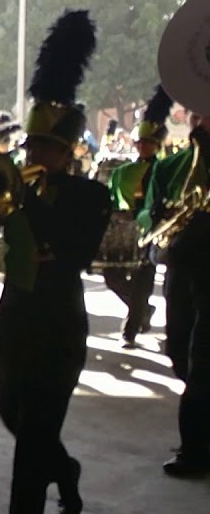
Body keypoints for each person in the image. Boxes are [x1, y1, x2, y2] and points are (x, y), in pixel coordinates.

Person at [0, 10, 110, 514]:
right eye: (31, 148)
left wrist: (32, 202)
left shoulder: (91, 198)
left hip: (58, 325)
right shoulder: (16, 189)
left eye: (45, 149)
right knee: (10, 408)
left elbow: (73, 253)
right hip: (16, 318)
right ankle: (66, 469)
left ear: (67, 151)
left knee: (33, 432)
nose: (34, 156)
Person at [143, 108, 210, 477]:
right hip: (183, 269)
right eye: (197, 115)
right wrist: (160, 227)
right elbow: (150, 214)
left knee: (203, 358)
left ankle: (195, 448)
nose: (200, 122)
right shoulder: (170, 167)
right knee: (180, 351)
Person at [103, 86, 170, 347]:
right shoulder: (124, 170)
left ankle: (130, 329)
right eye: (140, 142)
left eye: (148, 143)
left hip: (151, 228)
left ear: (156, 145)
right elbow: (113, 196)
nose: (142, 146)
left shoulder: (165, 169)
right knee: (112, 276)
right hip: (125, 228)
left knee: (143, 279)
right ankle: (142, 310)